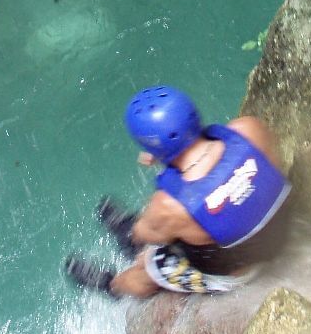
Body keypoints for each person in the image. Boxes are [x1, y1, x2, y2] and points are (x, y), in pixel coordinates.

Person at [64, 86, 291, 298]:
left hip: (243, 270)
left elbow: (144, 233)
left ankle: (113, 285)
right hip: (281, 234)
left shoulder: (169, 206)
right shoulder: (248, 129)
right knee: (182, 227)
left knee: (150, 262)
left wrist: (167, 162)